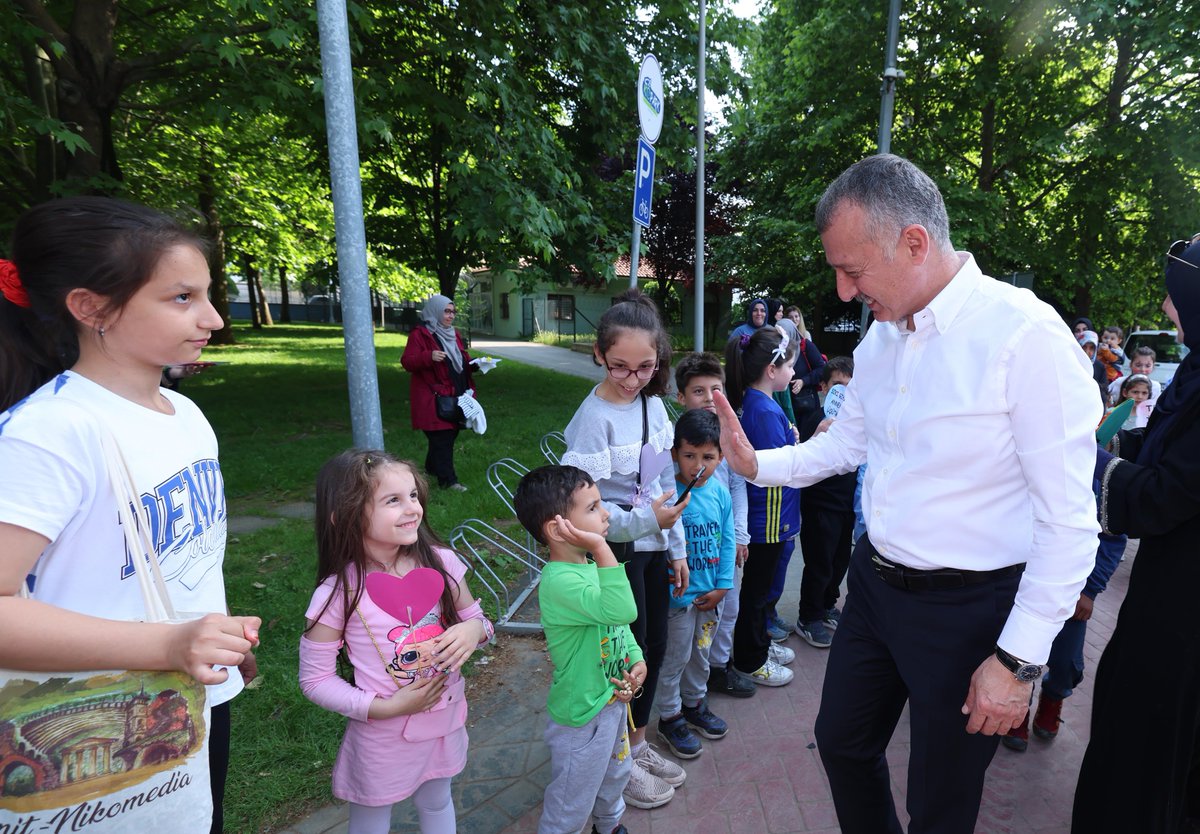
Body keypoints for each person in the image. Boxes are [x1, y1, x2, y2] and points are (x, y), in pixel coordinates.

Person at [713, 154, 1100, 834]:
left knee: (940, 801)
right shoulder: (883, 336)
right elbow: (846, 444)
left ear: (915, 243)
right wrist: (756, 463)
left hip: (970, 609)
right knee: (841, 743)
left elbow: (1070, 522)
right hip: (875, 587)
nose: (841, 291)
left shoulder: (1025, 337)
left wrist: (1016, 660)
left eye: (852, 270)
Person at [0, 197, 261, 834]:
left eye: (206, 294)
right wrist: (168, 642)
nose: (213, 318)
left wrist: (211, 634)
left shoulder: (187, 416)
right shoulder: (49, 435)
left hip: (192, 695)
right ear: (92, 309)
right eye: (181, 298)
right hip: (90, 719)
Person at [1072, 236, 1200, 833]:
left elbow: (1164, 495)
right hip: (1166, 587)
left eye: (1177, 301)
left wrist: (1091, 462)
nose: (1169, 313)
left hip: (1184, 607)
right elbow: (1165, 450)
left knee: (1148, 740)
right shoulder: (1196, 371)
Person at [299, 450, 493, 834]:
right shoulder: (338, 592)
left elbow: (480, 624)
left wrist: (475, 631)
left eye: (414, 496)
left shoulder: (442, 563)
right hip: (382, 737)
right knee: (372, 818)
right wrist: (384, 708)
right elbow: (314, 680)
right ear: (345, 515)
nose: (412, 509)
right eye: (393, 500)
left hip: (445, 719)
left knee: (438, 801)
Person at [560, 289, 690, 809]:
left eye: (645, 367)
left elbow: (662, 484)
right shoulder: (591, 421)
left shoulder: (654, 405)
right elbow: (584, 515)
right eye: (620, 367)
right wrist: (645, 522)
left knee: (653, 645)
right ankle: (618, 757)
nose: (633, 379)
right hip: (615, 555)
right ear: (598, 354)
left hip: (653, 545)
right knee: (623, 653)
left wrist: (674, 544)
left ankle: (636, 742)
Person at [512, 465, 646, 834]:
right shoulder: (559, 583)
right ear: (557, 529)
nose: (605, 514)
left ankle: (609, 825)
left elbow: (618, 624)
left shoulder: (588, 567)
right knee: (573, 799)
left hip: (612, 702)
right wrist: (603, 548)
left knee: (615, 773)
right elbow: (622, 608)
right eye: (592, 508)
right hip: (583, 718)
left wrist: (636, 659)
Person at [672, 352, 755, 699]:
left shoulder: (729, 433)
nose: (708, 398)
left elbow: (737, 486)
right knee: (686, 623)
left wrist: (739, 535)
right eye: (699, 391)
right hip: (690, 552)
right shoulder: (678, 442)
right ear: (681, 397)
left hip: (722, 544)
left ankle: (718, 667)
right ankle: (682, 689)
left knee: (728, 607)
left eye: (715, 390)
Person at [655, 409, 736, 758]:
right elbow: (659, 541)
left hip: (709, 597)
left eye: (708, 457)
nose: (698, 465)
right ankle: (670, 716)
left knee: (700, 656)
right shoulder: (668, 494)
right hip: (677, 600)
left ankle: (694, 704)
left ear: (720, 457)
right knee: (675, 658)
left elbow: (728, 540)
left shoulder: (720, 493)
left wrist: (723, 586)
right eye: (689, 455)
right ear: (675, 454)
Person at [723, 325, 799, 689]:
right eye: (789, 366)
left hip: (768, 520)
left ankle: (759, 646)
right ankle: (751, 660)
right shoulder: (764, 411)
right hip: (767, 521)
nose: (793, 372)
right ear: (772, 370)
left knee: (758, 593)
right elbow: (772, 471)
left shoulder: (761, 405)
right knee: (757, 594)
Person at [793, 356, 857, 650]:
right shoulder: (814, 418)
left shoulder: (855, 422)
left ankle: (828, 604)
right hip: (820, 506)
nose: (842, 392)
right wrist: (817, 436)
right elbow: (802, 459)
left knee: (840, 560)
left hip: (846, 506)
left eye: (848, 386)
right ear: (823, 387)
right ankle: (809, 617)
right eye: (837, 386)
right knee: (819, 563)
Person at [401, 295, 474, 491]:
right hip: (431, 398)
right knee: (442, 437)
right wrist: (428, 356)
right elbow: (407, 361)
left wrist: (475, 365)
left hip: (455, 394)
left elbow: (460, 360)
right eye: (446, 311)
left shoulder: (452, 333)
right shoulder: (421, 334)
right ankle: (448, 481)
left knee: (448, 433)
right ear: (435, 311)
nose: (450, 316)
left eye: (452, 312)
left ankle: (432, 468)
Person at [783, 307, 828, 422]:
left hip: (806, 404)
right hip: (786, 403)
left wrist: (804, 381)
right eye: (790, 317)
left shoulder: (805, 345)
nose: (794, 320)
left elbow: (822, 368)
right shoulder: (778, 348)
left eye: (796, 316)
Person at [1079, 330, 1110, 408]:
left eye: (1091, 348)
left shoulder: (1099, 366)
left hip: (1093, 405)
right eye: (1084, 347)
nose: (1087, 351)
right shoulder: (1072, 364)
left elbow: (1104, 388)